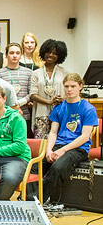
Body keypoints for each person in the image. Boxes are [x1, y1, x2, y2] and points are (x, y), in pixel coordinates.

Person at [42, 73, 98, 202]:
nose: (69, 89)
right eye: (66, 86)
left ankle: (39, 200)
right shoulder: (59, 108)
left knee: (57, 167)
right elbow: (53, 132)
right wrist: (49, 150)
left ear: (81, 86)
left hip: (78, 148)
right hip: (59, 145)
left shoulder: (89, 109)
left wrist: (63, 150)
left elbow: (84, 137)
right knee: (36, 166)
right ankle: (28, 197)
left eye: (73, 86)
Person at [30, 39, 69, 139]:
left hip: (60, 113)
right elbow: (33, 94)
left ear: (60, 55)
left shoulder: (64, 72)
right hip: (41, 114)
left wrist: (62, 99)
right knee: (41, 143)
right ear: (43, 53)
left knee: (59, 141)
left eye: (55, 53)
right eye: (48, 52)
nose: (51, 55)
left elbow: (69, 91)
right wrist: (49, 102)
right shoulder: (36, 73)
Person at [0, 43, 33, 136]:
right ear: (6, 55)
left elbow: (32, 92)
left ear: (21, 55)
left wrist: (21, 102)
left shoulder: (28, 72)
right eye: (11, 53)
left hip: (24, 115)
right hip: (5, 115)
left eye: (17, 53)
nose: (15, 55)